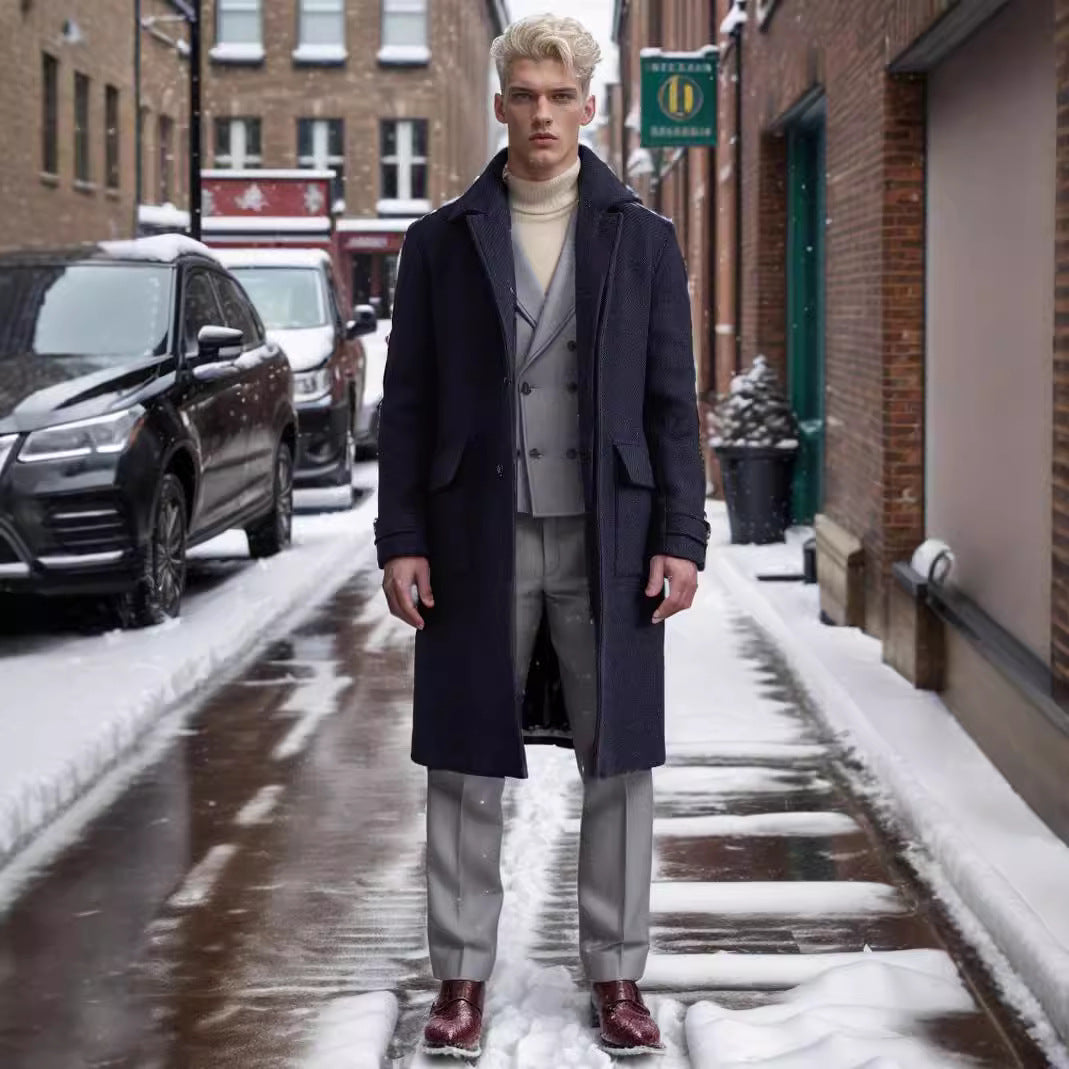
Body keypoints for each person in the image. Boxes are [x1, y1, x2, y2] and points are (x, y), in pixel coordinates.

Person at [375, 13, 708, 1059]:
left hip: (609, 536)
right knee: (465, 763)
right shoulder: (438, 244)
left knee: (619, 763)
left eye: (560, 96)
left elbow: (670, 401)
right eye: (523, 94)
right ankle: (460, 978)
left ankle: (616, 975)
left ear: (591, 103)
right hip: (477, 532)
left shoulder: (642, 240)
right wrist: (401, 536)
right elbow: (411, 401)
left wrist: (681, 535)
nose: (541, 114)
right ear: (500, 103)